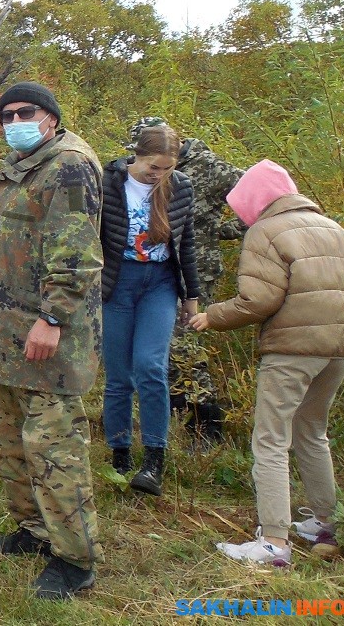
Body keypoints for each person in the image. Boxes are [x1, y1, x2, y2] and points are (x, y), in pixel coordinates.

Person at [0, 81, 104, 600]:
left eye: (25, 113)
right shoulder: (21, 168)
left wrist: (52, 319)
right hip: (5, 336)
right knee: (7, 439)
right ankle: (34, 531)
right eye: (6, 116)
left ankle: (75, 558)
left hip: (46, 339)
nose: (14, 122)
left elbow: (76, 251)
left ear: (51, 117)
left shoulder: (71, 166)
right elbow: (12, 235)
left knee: (53, 446)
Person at [190, 159, 344, 565]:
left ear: (254, 200)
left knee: (270, 439)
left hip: (293, 348)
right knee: (311, 430)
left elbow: (259, 300)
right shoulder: (336, 230)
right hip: (340, 348)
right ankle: (326, 522)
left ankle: (275, 544)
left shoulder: (266, 231)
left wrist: (212, 316)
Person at [129, 117, 245, 445]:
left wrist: (222, 231)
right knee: (162, 349)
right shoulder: (150, 167)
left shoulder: (210, 167)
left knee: (183, 347)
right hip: (156, 271)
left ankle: (207, 428)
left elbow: (258, 194)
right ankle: (176, 421)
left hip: (194, 273)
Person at [100, 124, 201, 496]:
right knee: (119, 374)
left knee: (150, 366)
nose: (158, 174)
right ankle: (120, 453)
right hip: (116, 282)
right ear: (136, 155)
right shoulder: (108, 182)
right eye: (153, 166)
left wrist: (192, 295)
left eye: (167, 168)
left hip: (160, 284)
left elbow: (185, 242)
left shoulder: (181, 188)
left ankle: (154, 459)